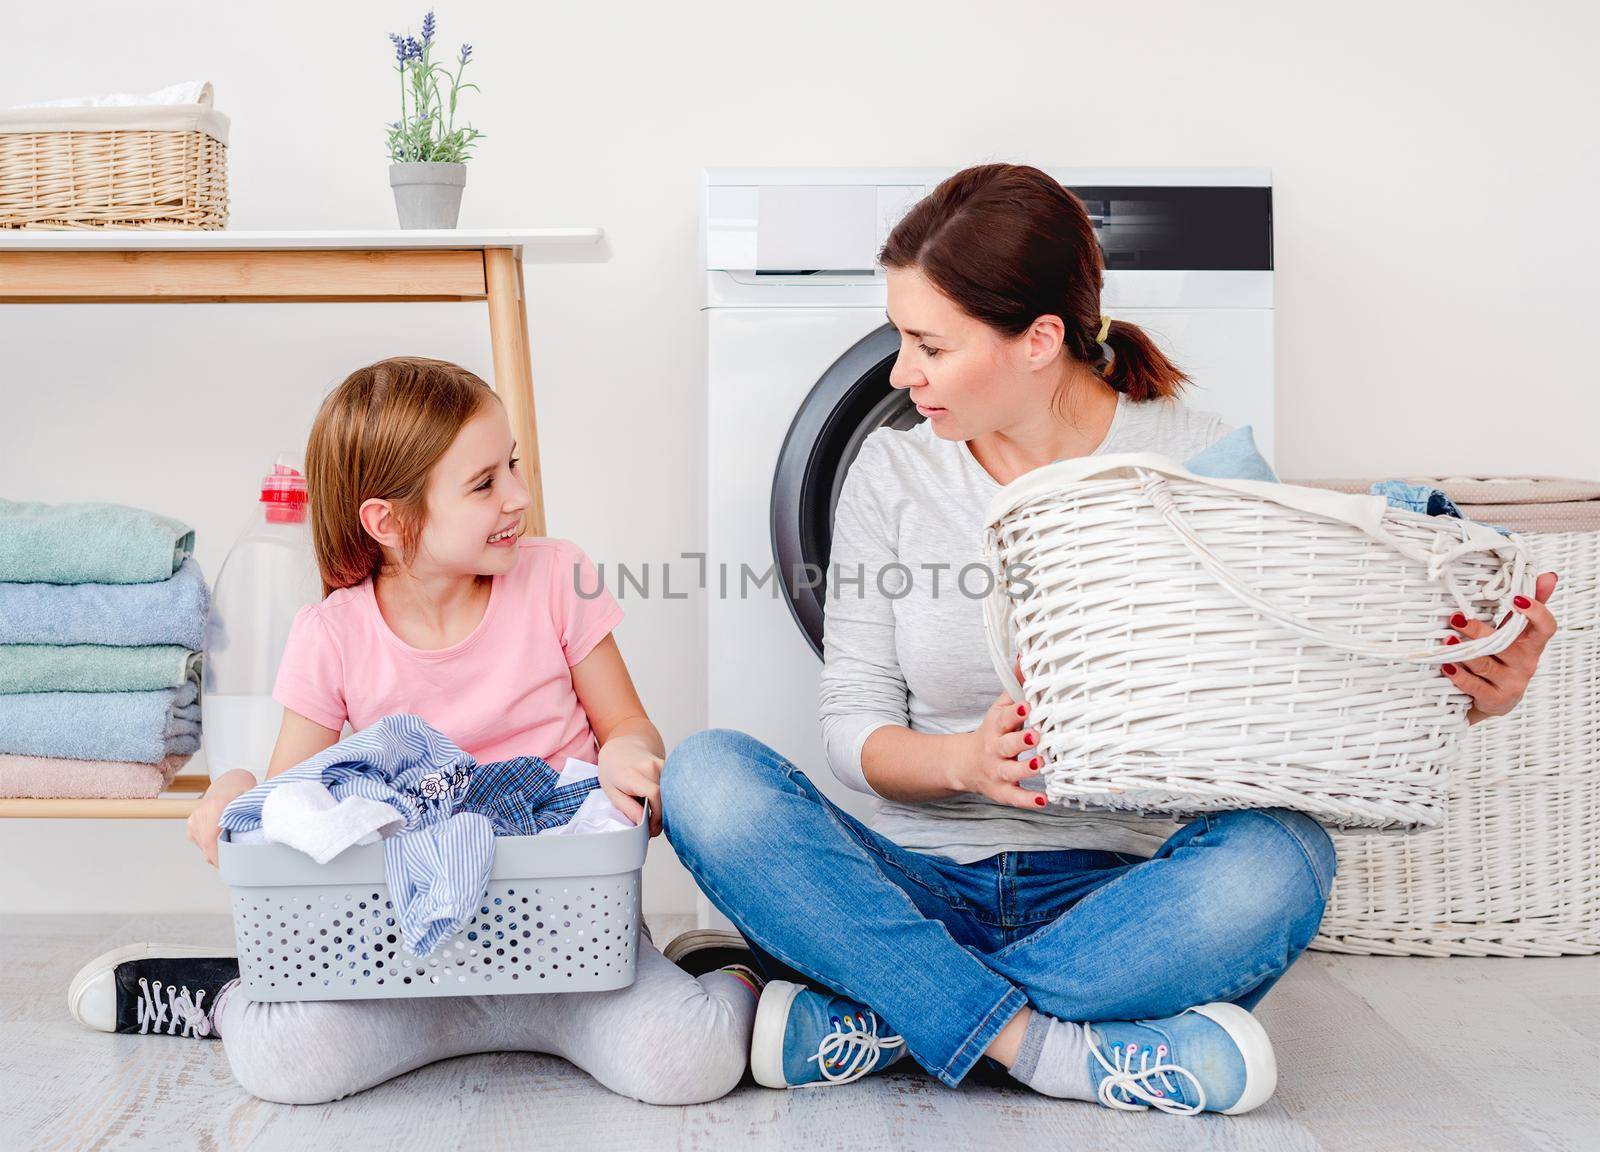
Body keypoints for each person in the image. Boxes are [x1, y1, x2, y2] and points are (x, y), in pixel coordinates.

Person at [659, 163, 1562, 1116]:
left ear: (1040, 339)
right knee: (708, 778)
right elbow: (853, 730)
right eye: (899, 341)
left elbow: (1298, 688)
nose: (900, 374)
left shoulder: (1200, 461)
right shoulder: (893, 472)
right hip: (912, 885)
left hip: (1121, 902)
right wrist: (964, 760)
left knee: (1281, 860)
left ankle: (896, 1016)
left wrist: (1465, 687)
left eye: (928, 344)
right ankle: (1047, 1046)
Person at [66, 357, 759, 1106]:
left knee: (690, 1059)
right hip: (402, 966)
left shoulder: (559, 577)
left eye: (513, 467)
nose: (519, 497)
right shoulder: (332, 634)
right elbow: (294, 797)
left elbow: (626, 722)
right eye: (485, 483)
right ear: (387, 521)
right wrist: (237, 793)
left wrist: (629, 751)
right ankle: (224, 994)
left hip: (572, 958)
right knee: (283, 1061)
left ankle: (736, 972)